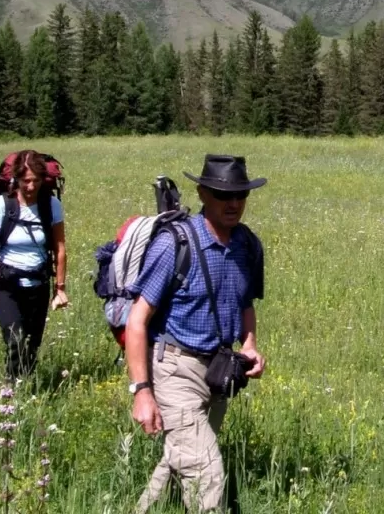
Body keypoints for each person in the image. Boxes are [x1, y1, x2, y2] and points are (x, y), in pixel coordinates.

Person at [127, 155, 267, 513]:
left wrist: (249, 344)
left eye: (240, 195)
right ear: (203, 193)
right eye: (223, 195)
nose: (233, 203)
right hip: (175, 369)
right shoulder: (175, 245)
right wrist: (142, 392)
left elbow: (246, 302)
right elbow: (137, 319)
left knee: (180, 460)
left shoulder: (246, 245)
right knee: (206, 471)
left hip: (219, 371)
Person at [0, 151, 69, 382]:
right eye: (26, 180)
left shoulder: (51, 205)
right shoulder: (1, 205)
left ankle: (25, 388)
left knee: (31, 347)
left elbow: (60, 249)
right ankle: (10, 391)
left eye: (36, 180)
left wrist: (60, 289)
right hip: (5, 285)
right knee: (16, 339)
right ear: (16, 179)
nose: (31, 186)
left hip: (38, 285)